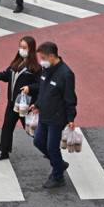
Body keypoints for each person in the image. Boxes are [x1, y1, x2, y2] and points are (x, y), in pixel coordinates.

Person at [29, 42, 77, 189]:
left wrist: (70, 118)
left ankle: (58, 176)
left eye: (43, 57)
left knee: (52, 147)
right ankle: (59, 164)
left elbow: (70, 98)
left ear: (52, 56)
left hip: (57, 117)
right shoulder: (46, 69)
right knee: (38, 141)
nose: (41, 61)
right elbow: (43, 91)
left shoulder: (66, 74)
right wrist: (37, 104)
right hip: (45, 114)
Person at [0, 36, 41, 161]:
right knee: (7, 126)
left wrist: (29, 87)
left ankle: (47, 147)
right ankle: (4, 151)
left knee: (31, 129)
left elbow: (40, 85)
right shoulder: (16, 63)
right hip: (12, 103)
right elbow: (7, 75)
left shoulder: (35, 68)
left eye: (24, 47)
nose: (21, 50)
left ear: (31, 49)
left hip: (25, 105)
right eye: (20, 47)